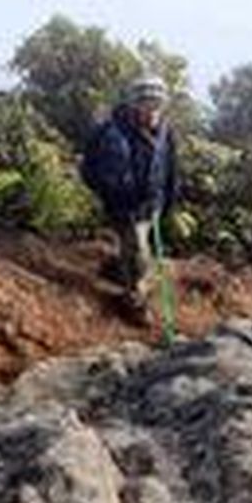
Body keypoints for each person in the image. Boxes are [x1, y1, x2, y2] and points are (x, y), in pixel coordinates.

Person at [81, 75, 178, 321]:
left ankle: (118, 271)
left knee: (137, 249)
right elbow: (90, 168)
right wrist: (111, 192)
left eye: (156, 103)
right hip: (124, 205)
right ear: (135, 104)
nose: (151, 109)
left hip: (151, 204)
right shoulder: (114, 130)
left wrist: (167, 203)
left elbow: (170, 169)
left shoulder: (165, 132)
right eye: (146, 103)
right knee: (138, 250)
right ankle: (135, 302)